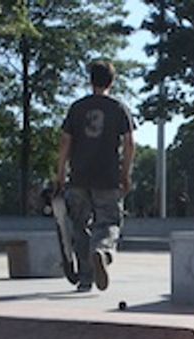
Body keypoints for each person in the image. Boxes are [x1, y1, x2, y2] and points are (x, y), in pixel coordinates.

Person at [56, 60, 135, 293]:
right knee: (109, 221)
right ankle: (103, 252)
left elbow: (64, 142)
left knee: (79, 225)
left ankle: (85, 278)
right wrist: (125, 173)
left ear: (90, 81)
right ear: (112, 81)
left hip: (79, 176)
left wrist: (60, 173)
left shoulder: (77, 108)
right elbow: (129, 143)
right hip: (107, 176)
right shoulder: (119, 108)